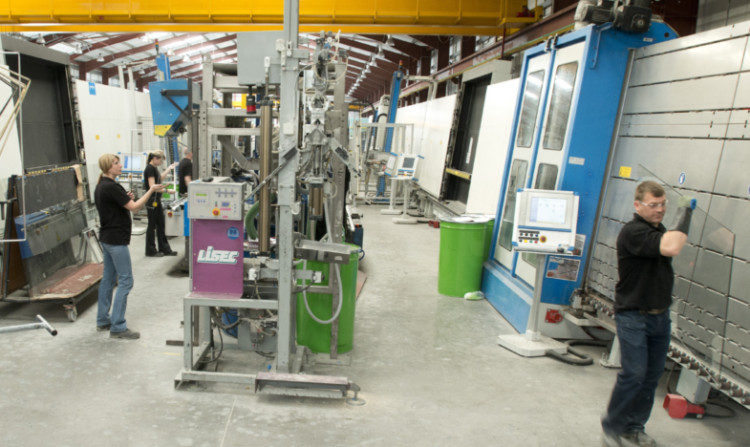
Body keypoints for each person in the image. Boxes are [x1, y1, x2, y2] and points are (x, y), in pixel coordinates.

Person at [601, 181, 695, 447]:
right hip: (634, 316)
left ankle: (634, 427)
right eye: (653, 205)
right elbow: (672, 247)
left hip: (659, 317)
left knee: (651, 376)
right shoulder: (633, 232)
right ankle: (612, 427)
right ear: (637, 205)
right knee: (634, 374)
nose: (659, 210)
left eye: (663, 204)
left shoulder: (658, 229)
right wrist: (685, 212)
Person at [95, 153, 165, 339]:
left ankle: (103, 319)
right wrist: (151, 191)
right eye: (116, 163)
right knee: (126, 281)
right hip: (117, 240)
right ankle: (118, 326)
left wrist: (126, 198)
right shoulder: (111, 186)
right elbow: (134, 207)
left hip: (107, 237)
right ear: (108, 167)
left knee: (108, 279)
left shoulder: (102, 185)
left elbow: (120, 205)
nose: (120, 166)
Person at [143, 150, 178, 257]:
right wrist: (167, 191)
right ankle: (151, 250)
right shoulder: (149, 169)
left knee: (161, 225)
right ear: (155, 158)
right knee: (152, 226)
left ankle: (165, 249)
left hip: (156, 201)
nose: (162, 162)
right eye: (161, 160)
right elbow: (153, 188)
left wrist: (168, 169)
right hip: (152, 201)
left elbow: (159, 179)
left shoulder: (154, 168)